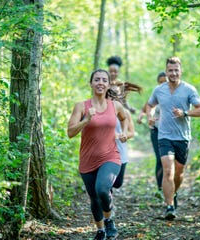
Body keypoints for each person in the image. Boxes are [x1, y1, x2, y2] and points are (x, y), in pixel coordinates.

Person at [67, 69, 128, 240]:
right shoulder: (81, 106)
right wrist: (86, 120)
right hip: (87, 159)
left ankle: (109, 220)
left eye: (104, 80)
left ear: (108, 84)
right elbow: (70, 132)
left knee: (102, 189)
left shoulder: (115, 105)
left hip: (111, 156)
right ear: (91, 83)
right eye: (96, 80)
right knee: (93, 197)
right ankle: (100, 230)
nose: (100, 82)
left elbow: (125, 118)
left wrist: (124, 132)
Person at [146, 57, 200, 220]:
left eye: (176, 70)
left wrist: (185, 113)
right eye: (170, 70)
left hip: (182, 137)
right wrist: (150, 116)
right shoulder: (159, 90)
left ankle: (173, 193)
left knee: (179, 173)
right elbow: (150, 105)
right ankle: (169, 205)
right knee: (167, 170)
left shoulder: (189, 90)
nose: (173, 73)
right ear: (166, 72)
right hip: (164, 136)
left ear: (181, 71)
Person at [137, 71, 167, 195]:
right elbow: (146, 107)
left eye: (164, 82)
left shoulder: (174, 94)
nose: (162, 84)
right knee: (160, 159)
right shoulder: (157, 93)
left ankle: (170, 186)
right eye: (160, 82)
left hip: (170, 132)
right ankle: (160, 188)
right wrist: (142, 116)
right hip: (156, 130)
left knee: (170, 159)